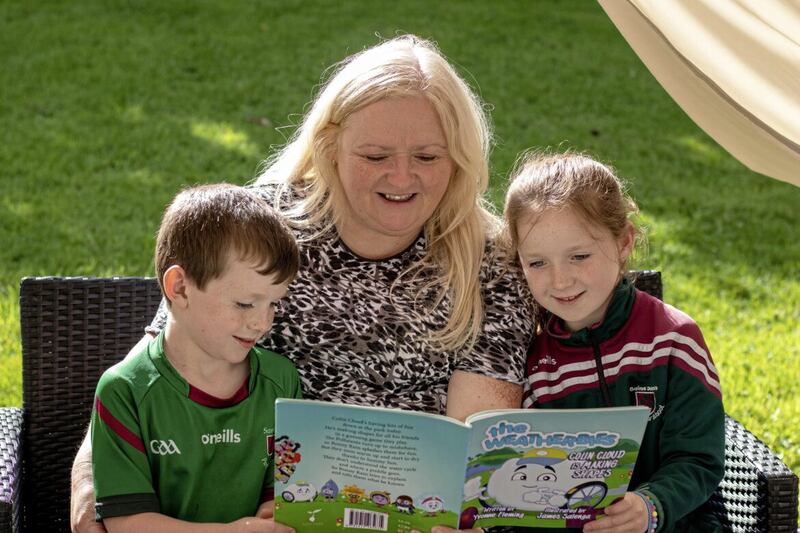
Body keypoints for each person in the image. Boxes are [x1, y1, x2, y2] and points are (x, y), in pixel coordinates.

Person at [71, 35, 534, 533]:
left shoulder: (488, 261)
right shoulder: (263, 227)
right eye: (376, 156)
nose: (402, 178)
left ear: (459, 156)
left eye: (428, 157)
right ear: (330, 145)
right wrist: (91, 480)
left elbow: (471, 442)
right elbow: (165, 362)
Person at [504, 151, 725, 532]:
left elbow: (698, 459)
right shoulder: (532, 362)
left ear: (624, 242)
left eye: (579, 256)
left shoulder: (672, 340)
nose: (560, 281)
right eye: (537, 263)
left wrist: (650, 507)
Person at [90, 184, 301, 532]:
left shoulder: (280, 381)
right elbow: (126, 523)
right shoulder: (125, 391)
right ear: (180, 288)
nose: (262, 322)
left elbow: (283, 489)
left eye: (274, 303)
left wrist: (272, 513)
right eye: (245, 304)